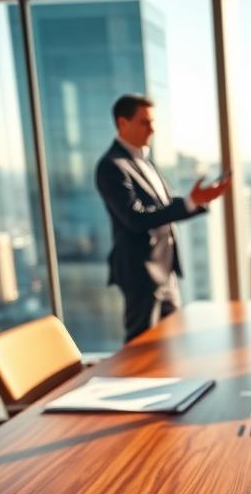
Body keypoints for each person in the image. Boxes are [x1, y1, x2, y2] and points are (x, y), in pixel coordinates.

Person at [95, 94, 229, 342]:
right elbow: (134, 218)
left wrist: (196, 201)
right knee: (141, 347)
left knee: (172, 342)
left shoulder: (144, 161)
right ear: (122, 123)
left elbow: (163, 208)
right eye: (144, 122)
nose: (153, 129)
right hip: (141, 273)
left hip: (165, 269)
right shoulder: (111, 166)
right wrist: (189, 202)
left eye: (153, 122)